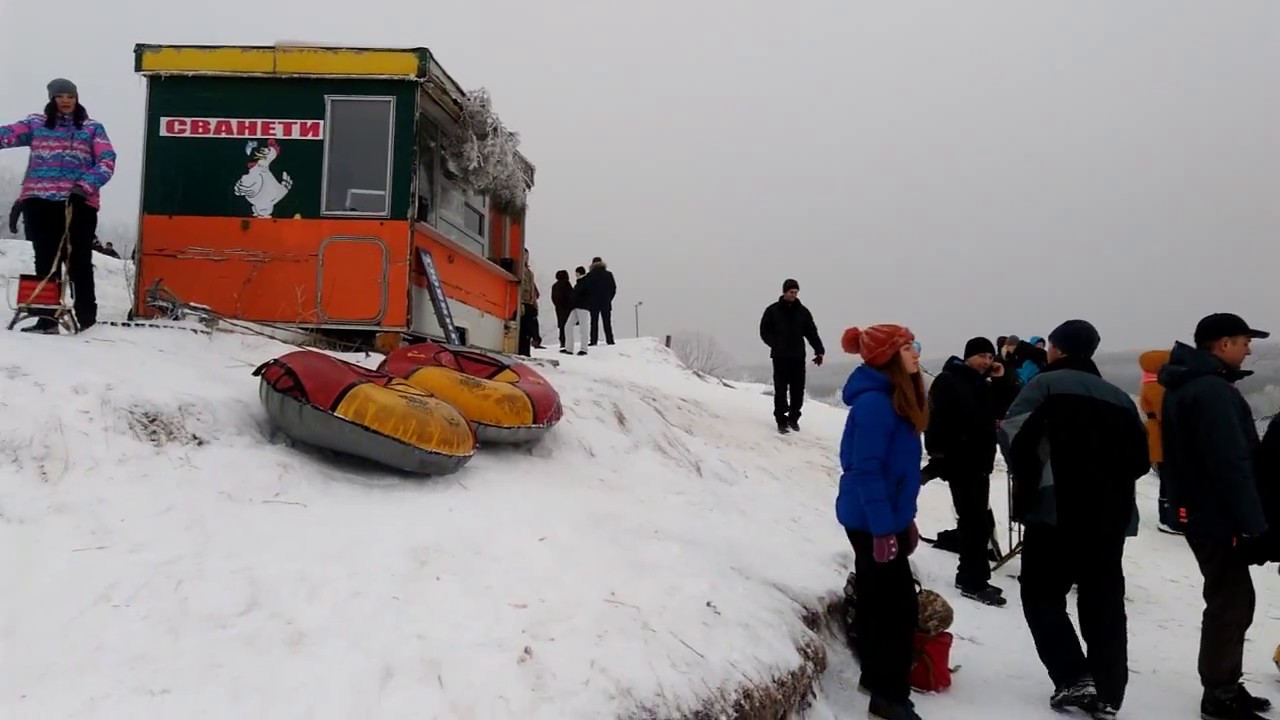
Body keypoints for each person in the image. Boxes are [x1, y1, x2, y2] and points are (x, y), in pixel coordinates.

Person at [999, 320, 1150, 720]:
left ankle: (1072, 676)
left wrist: (1039, 479)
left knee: (1041, 594)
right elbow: (1140, 461)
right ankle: (1109, 691)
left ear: (1054, 348)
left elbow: (1014, 436)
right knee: (1103, 599)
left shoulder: (1044, 385)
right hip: (1110, 516)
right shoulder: (1120, 398)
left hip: (1055, 509)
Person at [1160, 313, 1272, 719]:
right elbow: (1231, 462)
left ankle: (1224, 686)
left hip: (1204, 509)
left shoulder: (1195, 385)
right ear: (1223, 344)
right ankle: (1220, 695)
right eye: (1244, 341)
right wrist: (1253, 523)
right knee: (1230, 603)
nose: (1249, 349)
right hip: (1216, 515)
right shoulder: (1210, 391)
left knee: (1233, 600)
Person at [836, 323, 929, 720]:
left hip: (882, 520)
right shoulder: (876, 404)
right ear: (888, 356)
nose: (916, 354)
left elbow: (896, 473)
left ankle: (878, 681)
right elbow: (866, 470)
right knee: (897, 610)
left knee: (882, 604)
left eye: (915, 346)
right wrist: (882, 529)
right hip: (870, 522)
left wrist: (903, 521)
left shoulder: (893, 397)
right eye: (907, 347)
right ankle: (889, 696)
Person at [0, 78, 116, 333]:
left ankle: (87, 318)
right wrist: (23, 198)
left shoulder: (92, 128)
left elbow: (107, 161)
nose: (65, 101)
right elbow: (6, 135)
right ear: (52, 99)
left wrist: (84, 187)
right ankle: (47, 318)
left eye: (70, 96)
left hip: (77, 203)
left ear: (77, 98)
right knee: (45, 260)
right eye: (60, 96)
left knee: (78, 261)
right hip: (39, 202)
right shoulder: (36, 124)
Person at [924, 337, 1018, 607]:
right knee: (974, 523)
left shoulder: (982, 383)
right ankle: (971, 581)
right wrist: (938, 456)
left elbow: (1003, 407)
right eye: (982, 356)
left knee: (976, 523)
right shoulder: (949, 380)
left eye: (990, 357)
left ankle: (974, 577)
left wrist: (1001, 379)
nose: (987, 362)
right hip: (960, 461)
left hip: (979, 462)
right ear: (968, 356)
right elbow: (936, 420)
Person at [759, 278, 826, 434]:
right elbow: (764, 331)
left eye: (796, 292)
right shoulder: (773, 311)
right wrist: (775, 344)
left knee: (797, 391)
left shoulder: (803, 312)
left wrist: (819, 350)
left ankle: (793, 419)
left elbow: (811, 332)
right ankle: (781, 421)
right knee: (781, 390)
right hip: (780, 357)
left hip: (797, 357)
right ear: (784, 292)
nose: (794, 295)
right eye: (791, 292)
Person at [1138, 349, 1181, 535]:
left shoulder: (1150, 382)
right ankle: (1169, 518)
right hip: (1164, 436)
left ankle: (1168, 516)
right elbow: (1166, 412)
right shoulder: (1157, 386)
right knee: (1170, 479)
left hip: (1159, 435)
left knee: (1168, 477)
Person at [582, 256, 616, 346]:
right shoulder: (608, 274)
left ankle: (593, 340)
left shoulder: (589, 276)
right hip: (605, 301)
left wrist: (588, 300)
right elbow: (613, 288)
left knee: (594, 322)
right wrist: (609, 298)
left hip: (593, 302)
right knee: (607, 322)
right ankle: (610, 339)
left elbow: (585, 290)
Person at [563, 266, 591, 356]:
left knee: (583, 328)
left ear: (578, 273)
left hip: (583, 307)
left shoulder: (584, 282)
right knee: (568, 326)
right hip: (576, 307)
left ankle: (584, 349)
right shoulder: (581, 282)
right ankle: (569, 348)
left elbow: (581, 294)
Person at [518, 251, 541, 356]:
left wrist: (535, 303)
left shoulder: (529, 272)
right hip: (523, 302)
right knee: (524, 329)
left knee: (528, 329)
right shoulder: (520, 270)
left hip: (530, 303)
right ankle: (522, 351)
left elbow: (533, 289)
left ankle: (526, 351)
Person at [550, 269, 574, 350]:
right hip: (567, 308)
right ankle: (567, 342)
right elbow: (571, 296)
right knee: (568, 326)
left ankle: (562, 341)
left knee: (561, 325)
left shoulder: (554, 286)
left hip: (559, 308)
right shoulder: (566, 284)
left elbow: (553, 298)